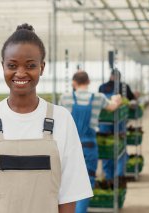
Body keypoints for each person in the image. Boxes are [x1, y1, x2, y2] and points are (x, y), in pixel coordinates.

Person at [0, 23, 93, 213]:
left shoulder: (61, 120)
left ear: (42, 68)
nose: (20, 73)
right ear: (3, 66)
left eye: (30, 65)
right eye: (12, 65)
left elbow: (69, 192)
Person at [59, 71, 122, 213]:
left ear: (74, 83)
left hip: (68, 146)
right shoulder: (98, 98)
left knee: (67, 182)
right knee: (86, 183)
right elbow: (113, 106)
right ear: (88, 82)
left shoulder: (65, 98)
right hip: (89, 146)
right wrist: (117, 99)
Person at [99, 70, 137, 181]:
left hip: (104, 121)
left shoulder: (102, 87)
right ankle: (119, 176)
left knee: (107, 148)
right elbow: (132, 100)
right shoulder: (124, 86)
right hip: (119, 121)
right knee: (120, 147)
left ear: (110, 76)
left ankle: (109, 177)